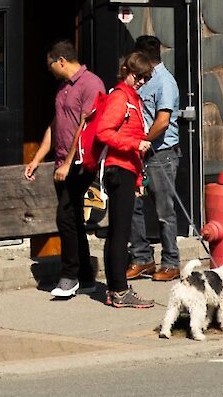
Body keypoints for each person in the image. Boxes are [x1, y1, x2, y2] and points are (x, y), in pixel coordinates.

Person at [24, 41, 106, 300]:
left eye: (50, 65)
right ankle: (85, 277)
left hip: (81, 163)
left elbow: (85, 127)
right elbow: (56, 124)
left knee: (65, 216)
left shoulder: (91, 84)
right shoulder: (62, 89)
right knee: (73, 221)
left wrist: (69, 163)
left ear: (61, 61)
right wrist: (37, 158)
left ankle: (69, 276)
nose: (49, 71)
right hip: (61, 162)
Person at [86, 48, 158, 308]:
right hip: (119, 169)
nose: (141, 82)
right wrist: (134, 144)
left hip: (127, 170)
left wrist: (138, 180)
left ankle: (116, 288)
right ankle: (118, 290)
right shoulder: (120, 97)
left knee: (118, 230)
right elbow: (104, 133)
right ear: (126, 71)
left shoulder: (131, 97)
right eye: (138, 77)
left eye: (145, 79)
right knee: (120, 232)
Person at [126, 34, 183, 283]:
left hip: (161, 154)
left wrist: (145, 141)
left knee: (164, 210)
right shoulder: (140, 81)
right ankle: (142, 257)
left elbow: (163, 120)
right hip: (140, 152)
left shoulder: (164, 82)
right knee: (134, 206)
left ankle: (171, 262)